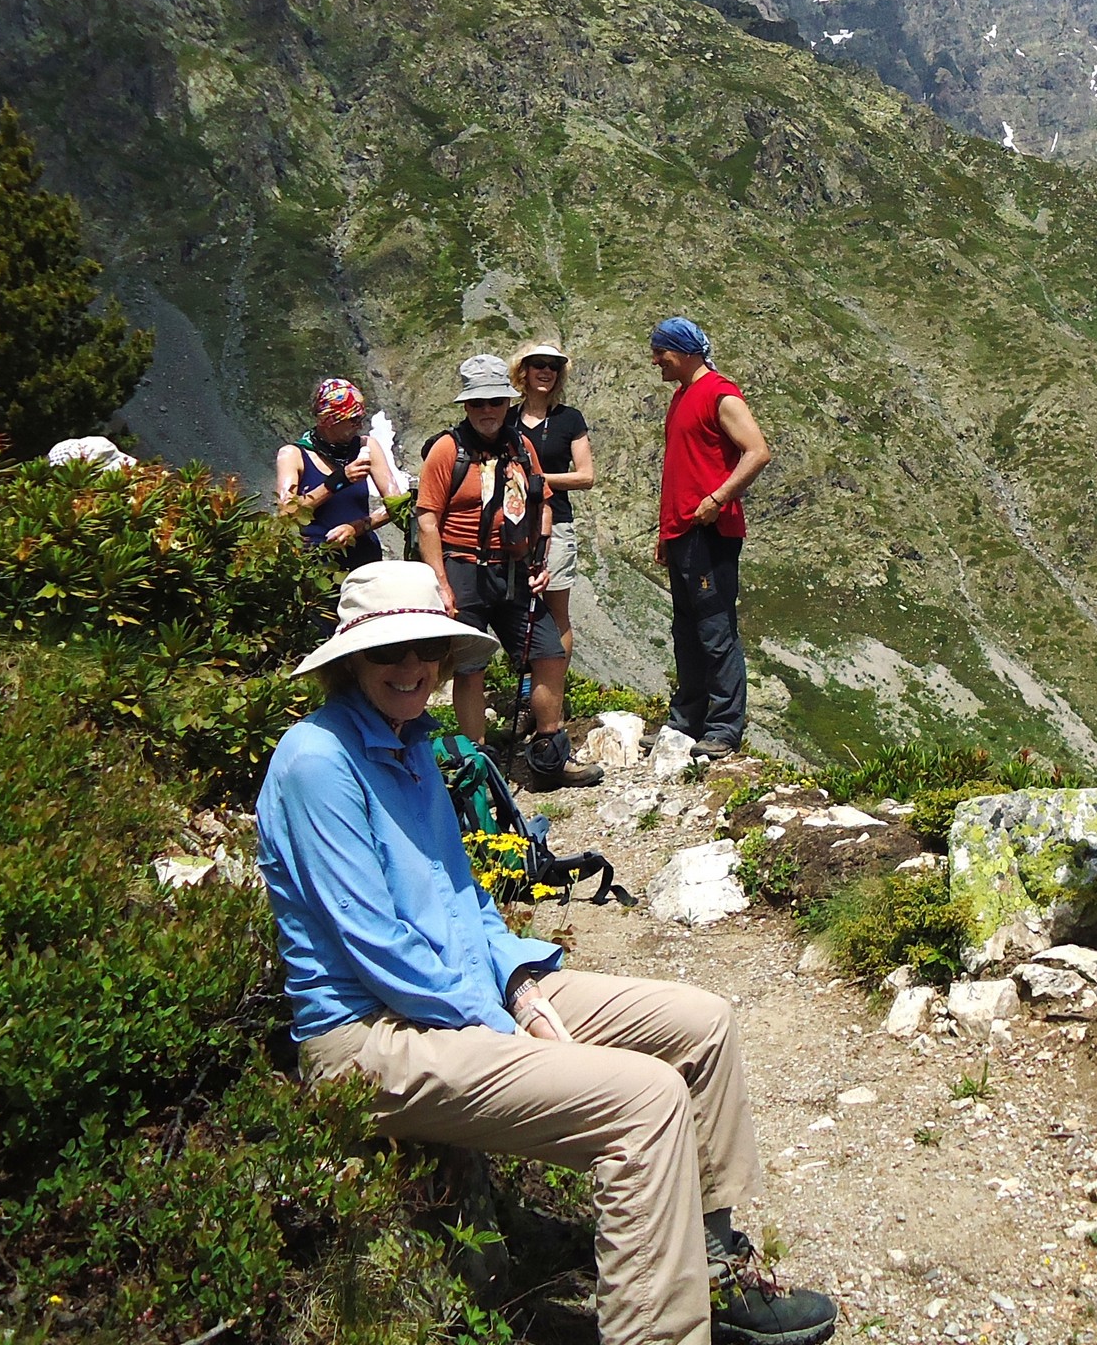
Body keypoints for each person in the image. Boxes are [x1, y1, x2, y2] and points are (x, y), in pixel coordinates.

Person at [257, 561, 838, 1345]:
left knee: (701, 1024)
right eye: (388, 653)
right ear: (349, 662)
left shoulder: (412, 744)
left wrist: (522, 985)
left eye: (425, 650)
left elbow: (462, 901)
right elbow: (377, 949)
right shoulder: (317, 762)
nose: (411, 668)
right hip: (370, 1037)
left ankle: (710, 1267)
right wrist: (498, 1027)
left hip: (459, 994)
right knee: (645, 1101)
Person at [420, 353, 602, 791]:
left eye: (495, 402)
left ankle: (549, 753)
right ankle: (475, 767)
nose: (487, 411)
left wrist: (538, 558)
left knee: (548, 653)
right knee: (471, 664)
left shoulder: (521, 447)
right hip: (462, 568)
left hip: (514, 569)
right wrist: (440, 583)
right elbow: (428, 518)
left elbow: (539, 500)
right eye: (477, 403)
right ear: (465, 406)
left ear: (506, 402)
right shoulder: (447, 450)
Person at [651, 317, 770, 759]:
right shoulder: (682, 397)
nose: (655, 361)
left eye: (661, 352)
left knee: (715, 628)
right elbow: (679, 469)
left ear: (682, 352)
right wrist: (667, 530)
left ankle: (723, 728)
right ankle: (687, 721)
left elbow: (757, 451)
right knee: (686, 629)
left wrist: (718, 497)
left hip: (710, 531)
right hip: (683, 530)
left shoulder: (720, 393)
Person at [513, 339, 594, 670]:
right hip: (513, 526)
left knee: (557, 611)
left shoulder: (570, 419)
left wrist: (538, 479)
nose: (546, 371)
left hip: (556, 524)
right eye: (539, 364)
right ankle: (526, 684)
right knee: (515, 610)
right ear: (525, 371)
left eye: (553, 366)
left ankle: (552, 694)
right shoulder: (506, 417)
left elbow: (586, 475)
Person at [277, 377, 402, 572]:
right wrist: (338, 482)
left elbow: (396, 505)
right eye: (353, 420)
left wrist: (356, 528)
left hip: (364, 559)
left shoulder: (366, 446)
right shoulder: (293, 455)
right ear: (329, 420)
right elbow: (287, 514)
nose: (359, 425)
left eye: (361, 418)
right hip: (315, 564)